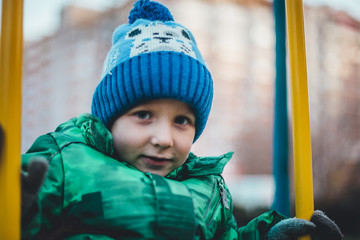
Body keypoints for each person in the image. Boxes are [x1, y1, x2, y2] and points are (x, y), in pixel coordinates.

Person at [21, 0, 343, 239]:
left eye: (182, 121)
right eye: (143, 115)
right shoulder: (66, 163)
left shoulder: (208, 192)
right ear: (111, 119)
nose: (164, 138)